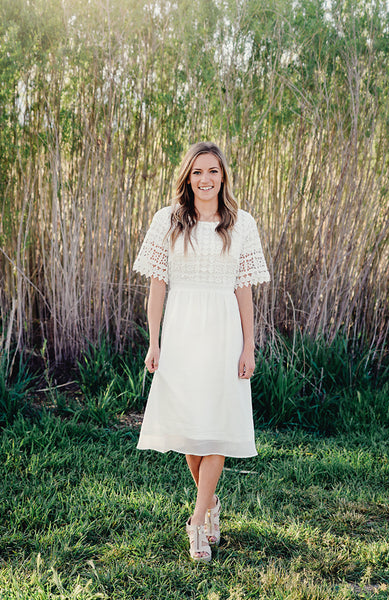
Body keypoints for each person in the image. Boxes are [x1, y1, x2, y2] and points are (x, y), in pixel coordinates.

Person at [133, 141, 270, 562]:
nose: (205, 179)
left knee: (217, 423)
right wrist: (155, 341)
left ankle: (196, 520)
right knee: (193, 424)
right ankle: (210, 506)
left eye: (213, 171)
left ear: (223, 176)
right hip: (182, 330)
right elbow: (157, 287)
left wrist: (249, 345)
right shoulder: (167, 221)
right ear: (187, 177)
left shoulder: (241, 223)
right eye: (197, 172)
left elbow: (243, 289)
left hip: (225, 330)